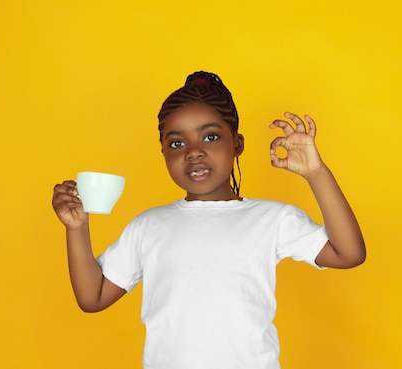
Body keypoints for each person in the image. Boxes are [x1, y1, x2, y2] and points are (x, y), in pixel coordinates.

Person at [52, 71, 366, 369]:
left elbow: (348, 253)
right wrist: (77, 228)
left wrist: (315, 172)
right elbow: (92, 297)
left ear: (237, 144)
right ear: (163, 152)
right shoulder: (148, 226)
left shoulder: (272, 219)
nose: (194, 152)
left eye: (211, 137)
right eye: (177, 143)